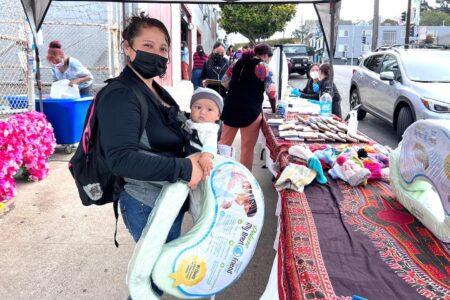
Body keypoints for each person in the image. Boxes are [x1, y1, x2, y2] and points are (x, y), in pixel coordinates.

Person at [95, 12, 204, 296]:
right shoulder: (120, 94)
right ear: (128, 48)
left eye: (163, 48)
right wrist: (183, 168)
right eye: (147, 45)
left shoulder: (155, 90)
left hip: (167, 197)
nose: (157, 54)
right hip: (145, 202)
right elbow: (122, 158)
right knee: (150, 282)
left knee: (158, 277)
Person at [219, 43, 277, 171]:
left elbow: (224, 82)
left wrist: (238, 90)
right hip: (251, 112)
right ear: (266, 56)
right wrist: (274, 109)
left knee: (224, 145)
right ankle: (243, 179)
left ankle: (219, 172)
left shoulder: (236, 64)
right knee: (247, 149)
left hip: (231, 109)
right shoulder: (263, 66)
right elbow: (272, 92)